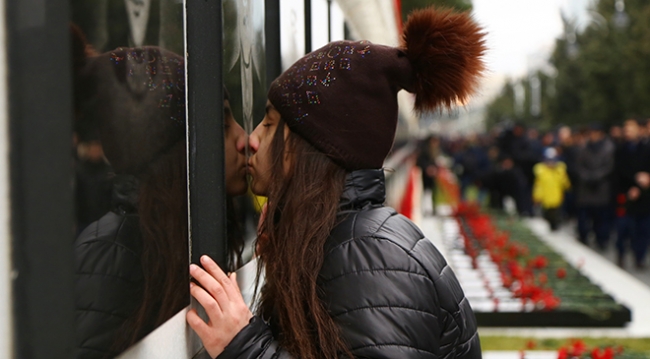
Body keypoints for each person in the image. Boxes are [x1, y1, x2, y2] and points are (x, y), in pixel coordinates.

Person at [186, 7, 485, 359]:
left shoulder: (364, 256)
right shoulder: (346, 239)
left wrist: (245, 348)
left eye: (268, 125)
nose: (251, 139)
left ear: (307, 147)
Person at [73, 47, 248, 358]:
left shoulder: (175, 236)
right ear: (181, 152)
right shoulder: (113, 250)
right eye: (221, 127)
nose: (244, 138)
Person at [614, 119, 650, 269]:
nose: (628, 132)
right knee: (624, 228)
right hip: (625, 193)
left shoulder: (646, 148)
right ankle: (621, 254)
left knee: (643, 228)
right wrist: (635, 181)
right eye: (626, 129)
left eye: (631, 129)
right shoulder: (620, 149)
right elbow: (619, 170)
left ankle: (639, 258)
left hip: (644, 195)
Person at [574, 125, 615, 249]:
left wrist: (596, 176)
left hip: (601, 187)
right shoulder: (584, 148)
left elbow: (609, 167)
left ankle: (601, 240)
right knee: (584, 216)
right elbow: (579, 166)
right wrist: (587, 176)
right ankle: (583, 236)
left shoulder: (609, 148)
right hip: (586, 188)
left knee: (601, 218)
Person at [532, 148, 571, 231]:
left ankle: (555, 226)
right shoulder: (541, 171)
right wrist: (537, 196)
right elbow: (538, 186)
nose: (550, 163)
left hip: (557, 197)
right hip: (546, 198)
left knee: (556, 214)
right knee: (547, 215)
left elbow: (565, 184)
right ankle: (551, 225)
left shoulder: (559, 170)